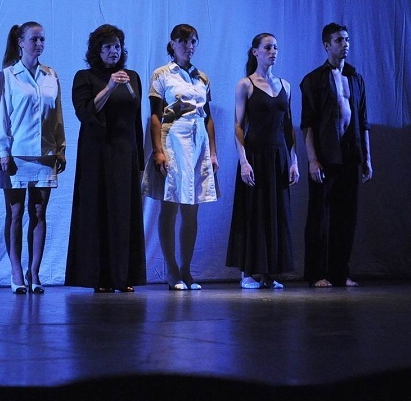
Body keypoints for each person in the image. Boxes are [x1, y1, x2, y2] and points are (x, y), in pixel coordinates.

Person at [65, 24, 146, 293]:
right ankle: (99, 277)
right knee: (98, 212)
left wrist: (140, 162)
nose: (114, 51)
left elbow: (136, 120)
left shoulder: (132, 77)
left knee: (125, 213)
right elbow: (86, 113)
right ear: (97, 50)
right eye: (108, 46)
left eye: (117, 46)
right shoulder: (85, 77)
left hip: (125, 152)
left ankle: (124, 276)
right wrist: (110, 87)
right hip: (97, 153)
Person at [143, 24, 218, 291]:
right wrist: (158, 150)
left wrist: (213, 151)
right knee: (171, 205)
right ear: (173, 44)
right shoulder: (162, 74)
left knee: (192, 208)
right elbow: (155, 115)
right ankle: (171, 269)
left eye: (193, 41)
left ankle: (186, 269)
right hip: (172, 140)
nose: (189, 46)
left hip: (198, 143)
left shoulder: (202, 78)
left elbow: (208, 117)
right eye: (184, 41)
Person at [0, 22, 66, 295]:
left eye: (42, 39)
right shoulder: (8, 75)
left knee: (38, 212)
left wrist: (60, 147)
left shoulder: (51, 75)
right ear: (21, 42)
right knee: (15, 212)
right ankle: (16, 271)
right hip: (17, 154)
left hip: (45, 154)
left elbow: (57, 115)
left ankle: (34, 272)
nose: (39, 44)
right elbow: (2, 116)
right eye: (34, 39)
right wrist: (3, 152)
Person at [300, 22, 373, 288]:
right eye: (339, 40)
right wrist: (313, 160)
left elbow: (362, 121)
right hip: (325, 154)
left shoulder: (355, 78)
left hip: (350, 153)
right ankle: (317, 273)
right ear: (327, 45)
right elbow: (307, 124)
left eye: (347, 39)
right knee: (320, 216)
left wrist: (367, 158)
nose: (345, 44)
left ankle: (340, 272)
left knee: (346, 217)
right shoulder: (313, 80)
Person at [226, 33, 299, 290]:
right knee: (252, 211)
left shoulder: (285, 85)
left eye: (275, 47)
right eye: (268, 47)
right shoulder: (245, 84)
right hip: (255, 155)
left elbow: (288, 126)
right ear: (255, 52)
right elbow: (238, 125)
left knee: (275, 213)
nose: (273, 51)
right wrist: (244, 161)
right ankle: (247, 272)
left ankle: (269, 273)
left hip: (278, 156)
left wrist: (294, 160)